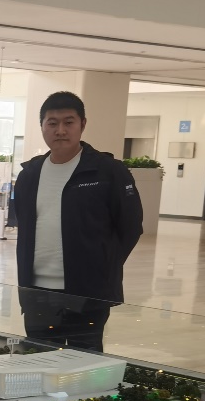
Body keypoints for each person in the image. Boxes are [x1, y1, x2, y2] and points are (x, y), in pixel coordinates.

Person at [13, 91, 143, 353]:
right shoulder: (30, 175)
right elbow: (25, 227)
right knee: (39, 359)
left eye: (68, 122)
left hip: (87, 291)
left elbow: (130, 227)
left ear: (82, 125)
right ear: (42, 126)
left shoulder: (108, 171)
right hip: (37, 291)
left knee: (84, 360)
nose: (60, 130)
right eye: (52, 123)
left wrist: (104, 265)